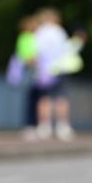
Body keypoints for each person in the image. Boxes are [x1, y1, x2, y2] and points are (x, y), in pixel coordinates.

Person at [33, 8, 75, 141]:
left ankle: (44, 126)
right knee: (61, 98)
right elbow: (66, 50)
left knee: (44, 98)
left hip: (44, 70)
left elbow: (35, 52)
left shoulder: (40, 32)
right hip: (60, 68)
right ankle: (62, 126)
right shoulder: (59, 31)